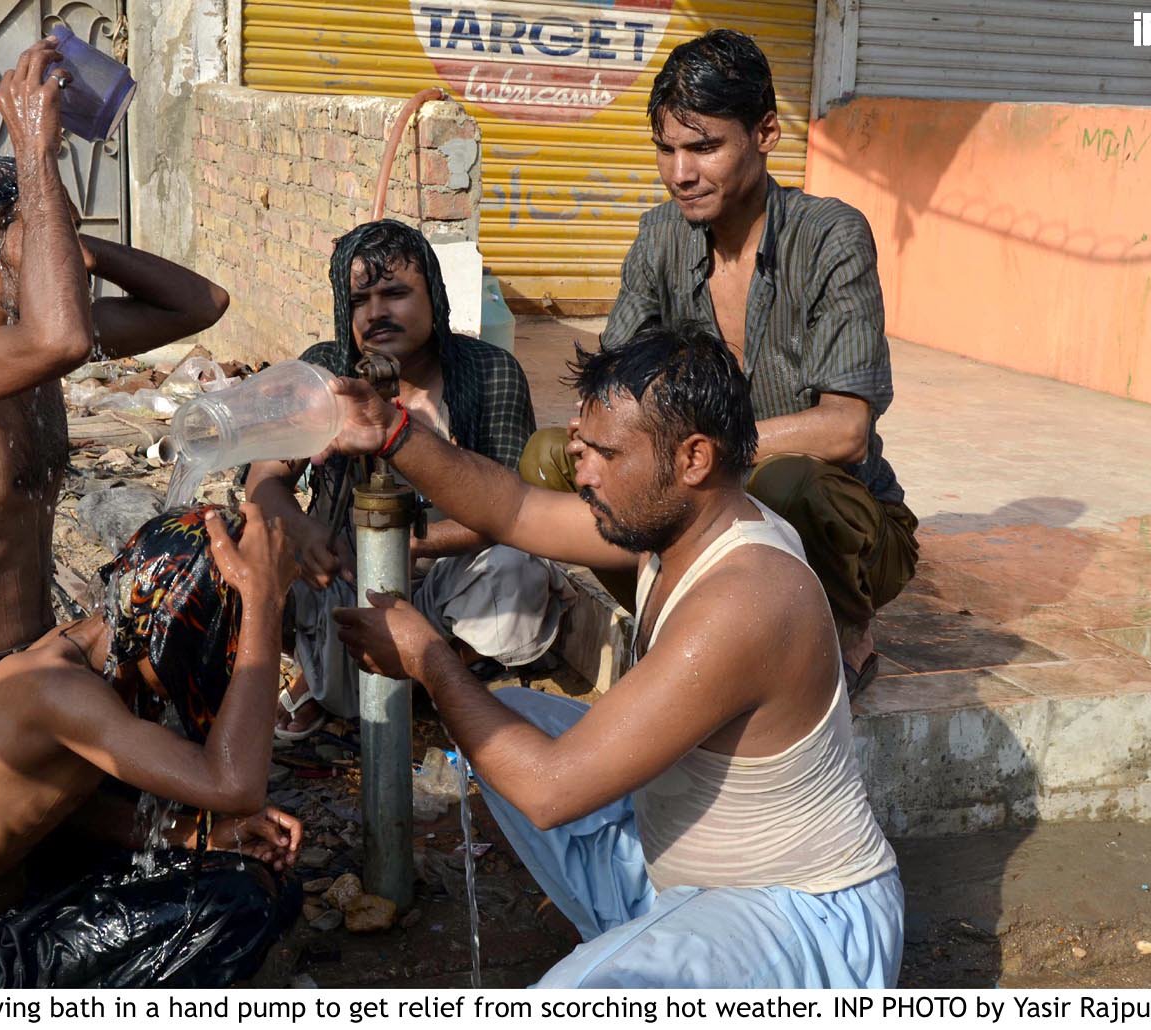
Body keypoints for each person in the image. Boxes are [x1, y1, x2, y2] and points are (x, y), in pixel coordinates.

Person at [328, 323, 903, 988]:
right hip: (687, 886)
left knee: (569, 998)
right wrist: (392, 432)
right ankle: (644, 939)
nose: (583, 470)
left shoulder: (745, 600)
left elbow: (548, 791)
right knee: (513, 715)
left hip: (806, 925)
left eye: (606, 454)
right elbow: (512, 508)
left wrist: (429, 659)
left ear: (692, 459)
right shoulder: (680, 524)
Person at [0, 37, 231, 781]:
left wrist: (63, 236)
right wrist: (35, 153)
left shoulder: (38, 346)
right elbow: (62, 336)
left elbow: (203, 304)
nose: (61, 255)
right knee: (174, 812)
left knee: (202, 571)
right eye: (40, 240)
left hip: (38, 668)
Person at [519, 29, 916, 693]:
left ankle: (842, 625)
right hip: (702, 488)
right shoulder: (660, 235)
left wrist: (707, 453)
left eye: (704, 147)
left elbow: (844, 430)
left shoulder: (830, 237)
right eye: (667, 149)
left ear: (765, 133)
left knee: (783, 484)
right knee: (554, 458)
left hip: (840, 523)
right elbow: (610, 391)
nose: (681, 172)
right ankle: (673, 610)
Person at [0, 504, 301, 988]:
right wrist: (264, 602)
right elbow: (236, 784)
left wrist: (198, 835)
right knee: (234, 906)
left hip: (7, 903)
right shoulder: (59, 692)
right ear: (166, 641)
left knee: (265, 881)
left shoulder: (83, 649)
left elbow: (66, 808)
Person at [244, 219, 571, 740]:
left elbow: (518, 511)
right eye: (359, 300)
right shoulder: (325, 373)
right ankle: (330, 676)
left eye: (395, 293)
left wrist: (408, 547)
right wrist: (302, 533)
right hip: (347, 577)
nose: (376, 313)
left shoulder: (489, 373)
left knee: (520, 570)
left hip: (448, 574)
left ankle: (447, 670)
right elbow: (263, 480)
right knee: (251, 549)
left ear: (434, 297)